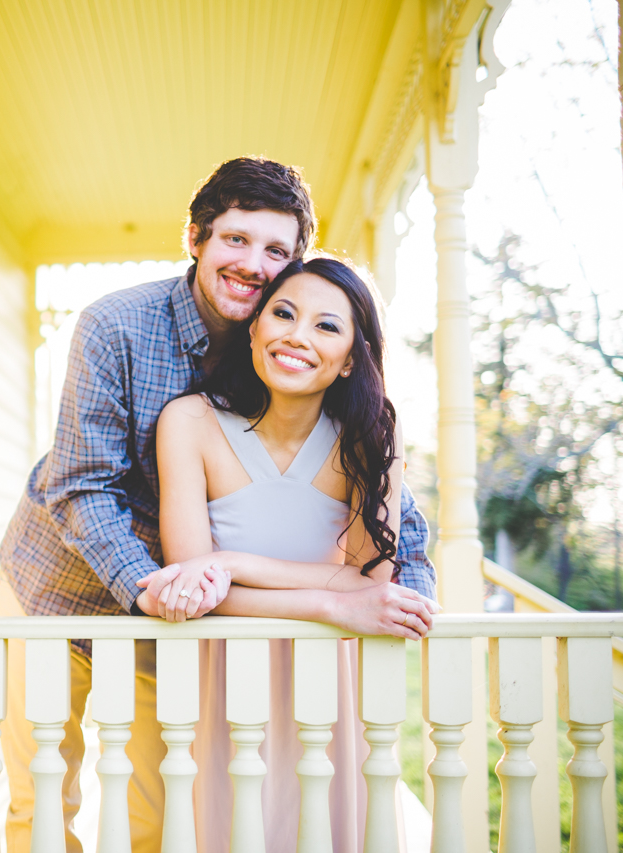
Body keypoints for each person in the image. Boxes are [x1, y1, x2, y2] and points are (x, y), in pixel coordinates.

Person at [0, 157, 438, 853]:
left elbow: (386, 499)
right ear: (197, 238)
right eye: (235, 239)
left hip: (182, 607)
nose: (253, 264)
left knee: (156, 806)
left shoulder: (284, 342)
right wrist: (166, 588)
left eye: (276, 252)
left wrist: (402, 589)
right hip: (63, 586)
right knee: (43, 799)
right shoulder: (116, 326)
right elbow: (83, 485)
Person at [143, 255, 432, 852]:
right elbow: (195, 594)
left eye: (327, 326)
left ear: (352, 357)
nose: (298, 336)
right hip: (219, 684)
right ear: (254, 328)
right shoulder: (189, 422)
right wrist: (328, 603)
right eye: (283, 313)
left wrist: (234, 565)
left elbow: (369, 582)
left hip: (327, 687)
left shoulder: (372, 431)